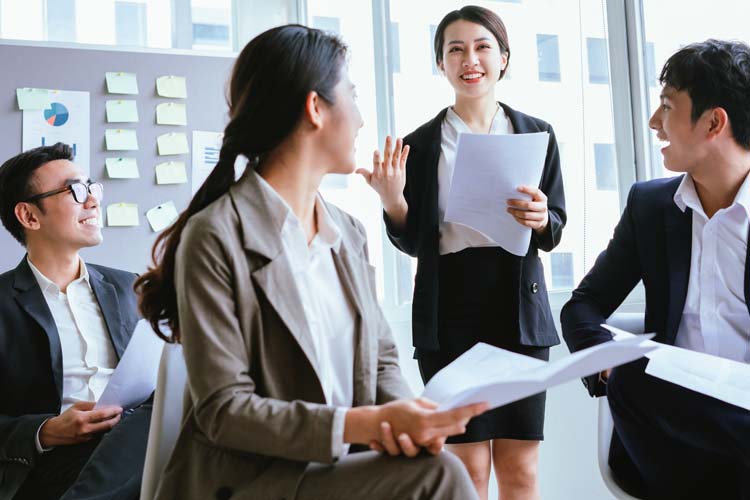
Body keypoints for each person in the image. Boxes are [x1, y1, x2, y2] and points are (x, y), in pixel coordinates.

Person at [134, 24, 488, 500]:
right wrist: (367, 423)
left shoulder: (348, 233)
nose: (362, 119)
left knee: (433, 462)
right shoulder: (215, 235)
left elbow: (381, 359)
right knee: (441, 476)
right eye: (353, 96)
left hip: (342, 471)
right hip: (253, 481)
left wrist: (410, 420)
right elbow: (224, 411)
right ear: (315, 108)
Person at [358, 6, 565, 499]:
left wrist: (541, 218)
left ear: (504, 59)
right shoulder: (420, 145)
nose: (469, 59)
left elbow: (554, 226)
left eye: (482, 47)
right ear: (441, 64)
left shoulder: (536, 133)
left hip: (517, 309)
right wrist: (393, 201)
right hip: (449, 312)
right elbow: (413, 243)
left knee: (521, 469)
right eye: (455, 49)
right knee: (466, 469)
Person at [561, 39, 750, 500]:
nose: (653, 122)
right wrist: (606, 364)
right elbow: (582, 307)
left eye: (666, 106)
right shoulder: (650, 207)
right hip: (674, 422)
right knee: (630, 380)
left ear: (714, 121)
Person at [0, 143, 151, 500]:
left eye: (92, 187)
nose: (93, 200)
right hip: (55, 463)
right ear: (30, 216)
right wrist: (46, 431)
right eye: (75, 190)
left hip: (135, 440)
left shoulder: (130, 287)